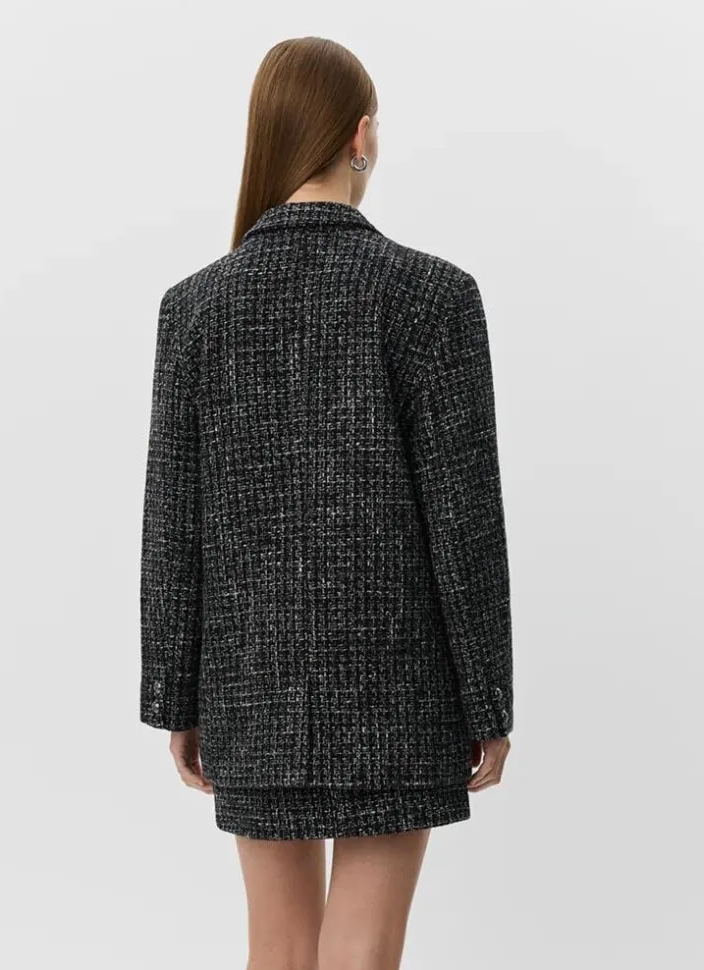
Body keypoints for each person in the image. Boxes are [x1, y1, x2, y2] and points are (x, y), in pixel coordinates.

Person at [140, 35, 514, 970]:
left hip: (250, 687)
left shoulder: (194, 308)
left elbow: (172, 526)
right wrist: (488, 700)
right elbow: (465, 523)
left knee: (278, 949)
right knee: (364, 951)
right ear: (361, 135)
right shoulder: (433, 296)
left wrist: (176, 696)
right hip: (400, 688)